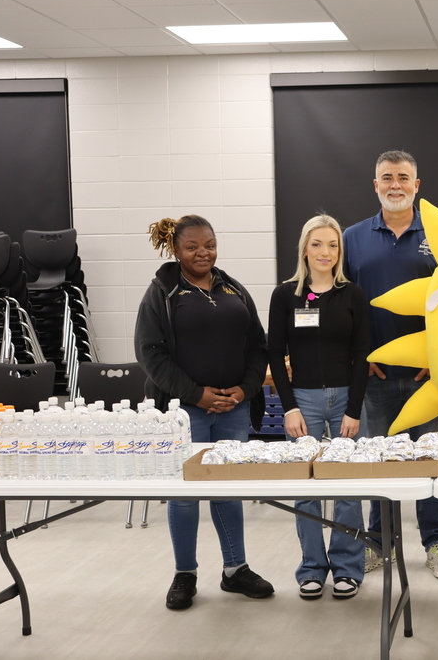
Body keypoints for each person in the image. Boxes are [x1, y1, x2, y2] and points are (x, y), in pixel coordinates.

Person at [135, 215, 273, 610]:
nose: (203, 253)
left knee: (227, 491)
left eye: (209, 245)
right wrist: (197, 395)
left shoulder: (233, 288)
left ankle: (235, 569)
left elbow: (258, 346)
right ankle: (185, 574)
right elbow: (150, 354)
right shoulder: (162, 292)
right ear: (176, 250)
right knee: (185, 495)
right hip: (185, 412)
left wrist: (245, 389)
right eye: (192, 247)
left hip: (234, 408)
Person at [342, 150, 438, 580]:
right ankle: (380, 542)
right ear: (376, 185)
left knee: (430, 461)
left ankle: (437, 542)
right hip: (374, 377)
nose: (395, 185)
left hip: (430, 376)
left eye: (403, 177)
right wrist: (360, 360)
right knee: (380, 463)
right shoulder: (351, 238)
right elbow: (340, 304)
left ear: (416, 185)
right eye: (387, 177)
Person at [268, 214, 371, 600]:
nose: (325, 252)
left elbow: (362, 355)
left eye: (332, 245)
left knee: (348, 487)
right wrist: (289, 408)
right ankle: (311, 568)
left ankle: (347, 569)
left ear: (340, 251)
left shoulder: (352, 295)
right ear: (304, 250)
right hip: (303, 401)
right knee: (305, 487)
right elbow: (275, 355)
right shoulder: (285, 296)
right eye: (317, 244)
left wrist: (354, 409)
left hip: (345, 399)